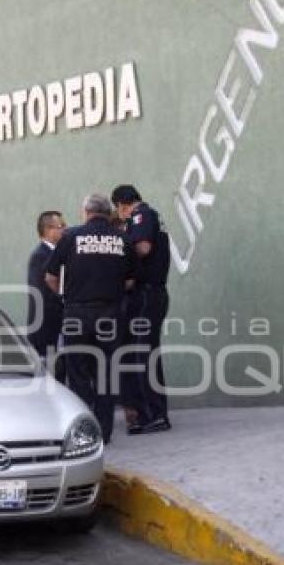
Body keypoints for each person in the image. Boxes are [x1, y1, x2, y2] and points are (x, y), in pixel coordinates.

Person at [45, 192, 135, 444]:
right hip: (110, 314)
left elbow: (50, 277)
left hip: (77, 313)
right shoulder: (122, 239)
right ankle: (104, 432)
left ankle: (85, 434)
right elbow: (130, 280)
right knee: (106, 372)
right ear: (108, 212)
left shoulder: (70, 236)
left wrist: (67, 298)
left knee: (79, 372)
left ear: (86, 212)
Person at [111, 184, 171, 434]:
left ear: (122, 205)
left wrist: (119, 253)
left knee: (141, 355)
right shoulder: (147, 215)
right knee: (144, 353)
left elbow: (143, 247)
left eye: (118, 210)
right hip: (151, 294)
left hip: (146, 294)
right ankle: (153, 413)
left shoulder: (141, 215)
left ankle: (152, 414)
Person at [26, 210, 66, 380]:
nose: (65, 229)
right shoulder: (41, 255)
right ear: (49, 229)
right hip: (45, 326)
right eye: (61, 226)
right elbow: (44, 292)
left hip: (54, 326)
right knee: (47, 374)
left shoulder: (53, 253)